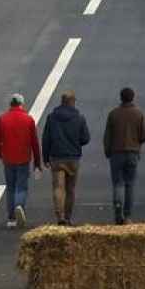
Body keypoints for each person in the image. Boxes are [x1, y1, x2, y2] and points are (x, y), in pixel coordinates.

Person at [0, 93, 41, 229]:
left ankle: (11, 217)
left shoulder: (2, 119)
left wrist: (2, 154)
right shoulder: (28, 120)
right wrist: (37, 163)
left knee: (11, 187)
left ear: (10, 104)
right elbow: (34, 143)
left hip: (8, 159)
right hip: (23, 159)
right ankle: (19, 206)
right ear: (21, 104)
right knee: (21, 187)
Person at [42, 90, 91, 225]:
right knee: (70, 189)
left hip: (56, 158)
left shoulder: (52, 117)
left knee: (58, 187)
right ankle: (68, 217)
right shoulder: (80, 118)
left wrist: (45, 157)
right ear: (73, 102)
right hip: (73, 158)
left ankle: (60, 217)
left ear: (61, 102)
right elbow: (85, 138)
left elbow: (46, 139)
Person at [104, 87, 145, 224]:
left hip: (116, 154)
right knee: (130, 184)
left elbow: (107, 136)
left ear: (121, 98)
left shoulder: (113, 114)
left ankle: (118, 214)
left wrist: (108, 152)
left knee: (117, 184)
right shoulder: (139, 114)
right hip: (132, 153)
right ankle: (128, 215)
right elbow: (144, 136)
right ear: (133, 97)